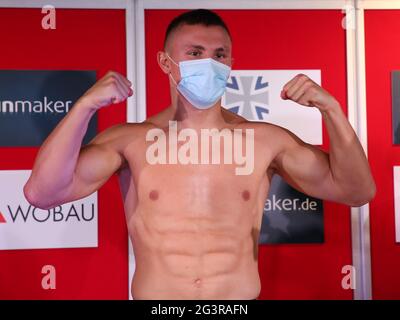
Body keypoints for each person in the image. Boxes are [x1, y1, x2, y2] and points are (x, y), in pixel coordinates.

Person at [23, 9, 376, 300]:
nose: (209, 63)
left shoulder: (263, 140)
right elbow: (43, 193)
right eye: (194, 53)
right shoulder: (132, 141)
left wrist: (332, 110)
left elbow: (356, 191)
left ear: (231, 63)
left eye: (219, 54)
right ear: (165, 62)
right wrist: (83, 107)